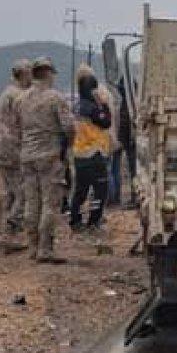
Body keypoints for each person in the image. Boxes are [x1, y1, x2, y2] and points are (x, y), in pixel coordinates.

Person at [8, 57, 75, 263]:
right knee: (50, 203)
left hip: (27, 156)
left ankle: (32, 246)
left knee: (31, 203)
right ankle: (45, 249)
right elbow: (69, 127)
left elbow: (15, 128)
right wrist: (67, 145)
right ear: (49, 73)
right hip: (50, 155)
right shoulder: (55, 98)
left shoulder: (20, 99)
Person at [0, 60, 33, 253]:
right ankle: (10, 231)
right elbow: (25, 124)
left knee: (10, 194)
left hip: (2, 149)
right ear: (23, 74)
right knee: (24, 193)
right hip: (15, 150)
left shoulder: (6, 93)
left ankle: (5, 234)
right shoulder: (19, 96)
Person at [70, 66, 113, 232]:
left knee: (80, 190)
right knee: (100, 190)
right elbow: (106, 122)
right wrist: (103, 104)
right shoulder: (93, 108)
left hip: (80, 154)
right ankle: (93, 221)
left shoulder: (76, 106)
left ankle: (75, 221)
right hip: (94, 154)